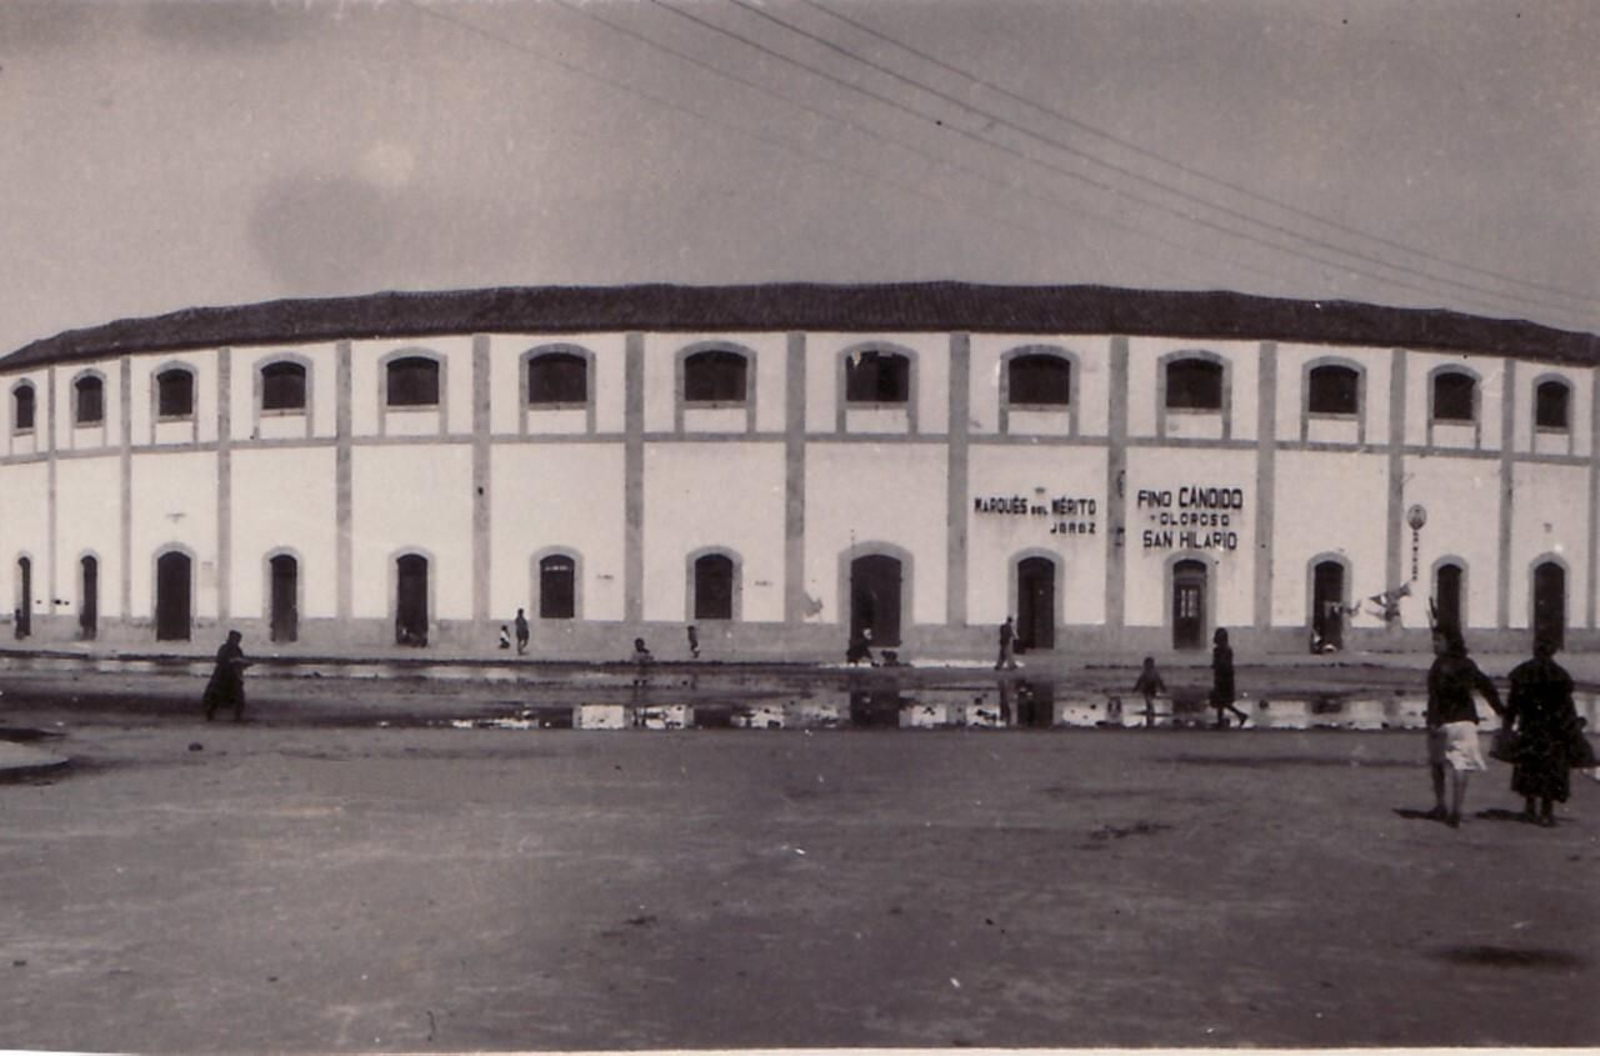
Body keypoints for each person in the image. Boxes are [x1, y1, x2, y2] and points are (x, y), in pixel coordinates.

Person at [1425, 627, 1504, 828]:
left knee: (1437, 764)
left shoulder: (1438, 666)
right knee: (1461, 764)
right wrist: (1500, 710)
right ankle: (1457, 810)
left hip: (1442, 722)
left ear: (1449, 642)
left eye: (1438, 640)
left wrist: (1431, 721)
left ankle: (1441, 805)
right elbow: (1487, 687)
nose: (1434, 644)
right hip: (1465, 721)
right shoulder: (1468, 665)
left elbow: (1434, 696)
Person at [1503, 638, 1581, 827]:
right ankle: (1547, 812)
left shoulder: (1522, 673)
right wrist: (1573, 728)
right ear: (1553, 650)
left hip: (1529, 727)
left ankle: (1530, 808)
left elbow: (1512, 704)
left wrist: (1507, 725)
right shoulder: (1560, 675)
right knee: (1550, 770)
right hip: (1554, 730)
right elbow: (1567, 707)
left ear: (1534, 649)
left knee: (1529, 766)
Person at [202, 630, 251, 722]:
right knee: (215, 697)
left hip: (233, 676)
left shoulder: (237, 649)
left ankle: (237, 716)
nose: (237, 641)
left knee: (238, 697)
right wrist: (233, 661)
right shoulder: (224, 648)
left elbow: (240, 662)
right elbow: (220, 660)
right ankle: (210, 714)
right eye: (236, 639)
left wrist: (243, 664)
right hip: (222, 676)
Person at [1210, 628, 1248, 728]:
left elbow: (1221, 664)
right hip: (1224, 677)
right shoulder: (1225, 650)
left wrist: (1217, 666)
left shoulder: (1222, 650)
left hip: (1223, 678)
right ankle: (1223, 720)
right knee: (1221, 701)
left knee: (1221, 701)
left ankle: (1238, 715)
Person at [1132, 656, 1167, 727]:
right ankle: (1150, 714)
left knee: (1149, 701)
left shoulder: (1153, 673)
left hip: (1151, 689)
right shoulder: (1146, 673)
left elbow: (1159, 682)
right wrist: (1135, 689)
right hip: (1147, 689)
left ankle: (1150, 713)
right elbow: (1139, 681)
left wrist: (1163, 689)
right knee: (1148, 701)